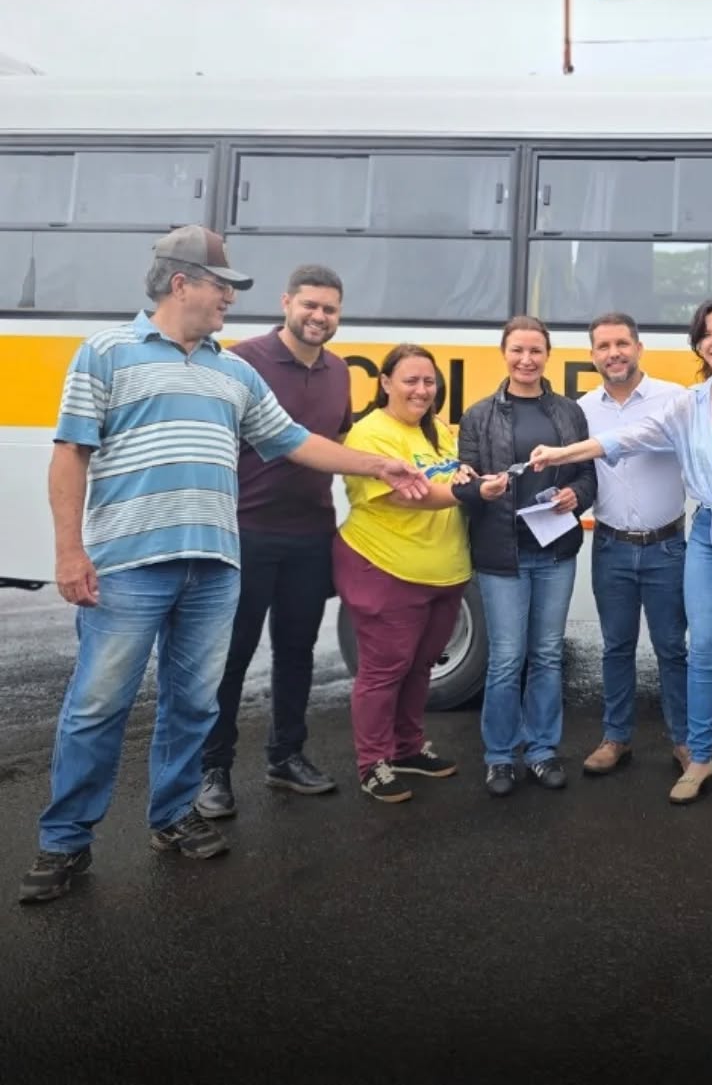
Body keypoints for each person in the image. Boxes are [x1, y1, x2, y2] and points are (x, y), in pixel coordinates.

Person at [19, 227, 428, 904]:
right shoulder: (106, 353)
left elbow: (294, 441)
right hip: (130, 565)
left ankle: (174, 816)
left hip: (215, 567)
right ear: (181, 283)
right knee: (97, 705)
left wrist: (378, 463)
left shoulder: (233, 372)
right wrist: (68, 551)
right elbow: (70, 454)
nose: (230, 300)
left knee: (193, 703)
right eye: (222, 287)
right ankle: (65, 841)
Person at [531, 297, 712, 805]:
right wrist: (560, 454)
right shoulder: (690, 403)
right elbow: (624, 438)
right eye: (706, 335)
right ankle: (700, 757)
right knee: (702, 651)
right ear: (698, 346)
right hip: (706, 536)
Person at [196, 265, 351, 820]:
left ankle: (286, 757)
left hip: (310, 534)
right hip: (247, 532)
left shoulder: (339, 371)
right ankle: (212, 769)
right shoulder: (242, 361)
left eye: (329, 309)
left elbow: (338, 442)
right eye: (310, 305)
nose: (318, 317)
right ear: (286, 302)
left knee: (296, 652)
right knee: (231, 656)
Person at [452, 317, 595, 799]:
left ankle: (541, 750)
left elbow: (588, 477)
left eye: (536, 351)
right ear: (504, 353)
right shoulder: (478, 415)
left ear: (547, 355)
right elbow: (463, 484)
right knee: (507, 658)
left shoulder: (569, 413)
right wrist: (481, 489)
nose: (526, 360)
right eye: (518, 350)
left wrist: (575, 496)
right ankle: (499, 756)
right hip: (502, 555)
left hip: (554, 552)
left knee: (548, 655)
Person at [334, 344, 475, 803]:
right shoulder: (369, 434)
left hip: (444, 570)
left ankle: (408, 749)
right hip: (387, 568)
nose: (421, 390)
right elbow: (406, 495)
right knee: (383, 671)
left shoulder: (439, 430)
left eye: (429, 381)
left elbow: (451, 475)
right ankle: (373, 763)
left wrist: (468, 477)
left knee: (419, 666)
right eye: (411, 380)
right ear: (385, 383)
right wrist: (470, 492)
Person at [576, 313, 690, 777]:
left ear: (639, 348)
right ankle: (616, 738)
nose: (614, 353)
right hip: (611, 547)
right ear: (592, 356)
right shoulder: (583, 409)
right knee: (616, 647)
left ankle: (685, 741)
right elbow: (581, 476)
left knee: (672, 648)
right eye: (603, 346)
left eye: (622, 343)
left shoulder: (676, 399)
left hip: (667, 547)